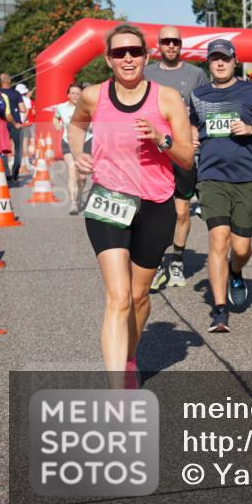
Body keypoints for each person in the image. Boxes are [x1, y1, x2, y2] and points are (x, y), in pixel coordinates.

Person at [66, 23, 194, 386]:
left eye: (134, 52)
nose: (127, 58)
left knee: (139, 298)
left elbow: (185, 158)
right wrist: (78, 153)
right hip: (108, 200)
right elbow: (76, 125)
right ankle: (116, 391)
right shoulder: (93, 96)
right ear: (108, 59)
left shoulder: (166, 98)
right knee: (118, 297)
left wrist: (161, 138)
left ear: (146, 56)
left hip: (156, 204)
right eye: (119, 53)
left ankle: (129, 358)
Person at [189, 39, 252, 333]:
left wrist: (251, 129)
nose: (219, 63)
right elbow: (191, 125)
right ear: (208, 62)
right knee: (218, 241)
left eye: (224, 59)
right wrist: (191, 137)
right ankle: (219, 310)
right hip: (212, 178)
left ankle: (236, 271)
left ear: (234, 61)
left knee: (240, 248)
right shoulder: (198, 95)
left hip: (246, 177)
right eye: (214, 58)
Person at [145, 25, 209, 290]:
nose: (170, 46)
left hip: (183, 151)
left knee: (182, 211)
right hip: (152, 152)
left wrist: (197, 130)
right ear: (158, 45)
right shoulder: (146, 73)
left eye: (175, 42)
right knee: (155, 213)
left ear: (181, 45)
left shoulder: (196, 74)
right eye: (166, 42)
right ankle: (158, 262)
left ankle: (178, 262)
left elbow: (207, 110)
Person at [53, 83, 93, 214]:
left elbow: (95, 123)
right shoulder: (61, 107)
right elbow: (55, 118)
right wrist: (57, 125)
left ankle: (80, 195)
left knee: (81, 177)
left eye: (78, 93)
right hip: (68, 141)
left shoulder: (88, 106)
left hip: (85, 142)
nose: (75, 96)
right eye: (73, 93)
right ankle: (73, 204)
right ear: (68, 95)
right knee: (71, 170)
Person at [0, 73, 26, 183]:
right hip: (16, 123)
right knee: (18, 148)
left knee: (2, 149)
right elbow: (22, 109)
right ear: (9, 81)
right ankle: (15, 172)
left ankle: (6, 172)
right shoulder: (16, 93)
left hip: (2, 124)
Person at [16, 83, 35, 171]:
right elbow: (27, 112)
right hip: (24, 124)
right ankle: (27, 163)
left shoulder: (13, 99)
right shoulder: (26, 99)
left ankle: (16, 162)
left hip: (15, 123)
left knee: (15, 143)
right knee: (25, 144)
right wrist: (22, 121)